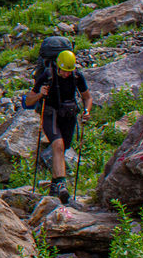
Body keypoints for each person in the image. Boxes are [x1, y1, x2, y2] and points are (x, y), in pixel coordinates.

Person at [23, 49, 92, 204]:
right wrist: (40, 94)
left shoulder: (76, 76)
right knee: (58, 144)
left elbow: (87, 97)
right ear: (57, 66)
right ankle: (61, 184)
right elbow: (28, 101)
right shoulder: (47, 76)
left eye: (69, 71)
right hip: (50, 114)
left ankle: (54, 186)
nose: (66, 74)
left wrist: (87, 111)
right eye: (64, 71)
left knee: (64, 146)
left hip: (68, 115)